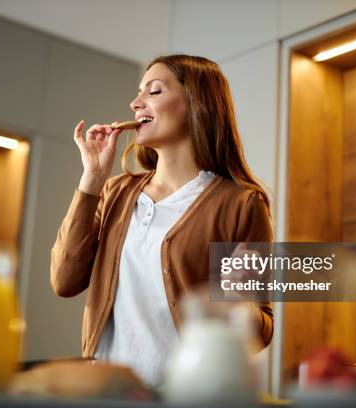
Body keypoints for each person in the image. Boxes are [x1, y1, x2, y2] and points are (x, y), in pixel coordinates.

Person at [50, 54, 273, 387]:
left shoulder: (242, 204)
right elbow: (64, 282)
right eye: (140, 92)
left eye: (153, 92)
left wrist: (237, 303)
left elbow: (260, 333)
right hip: (105, 392)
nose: (135, 103)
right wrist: (92, 180)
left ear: (197, 104)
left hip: (187, 394)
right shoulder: (114, 191)